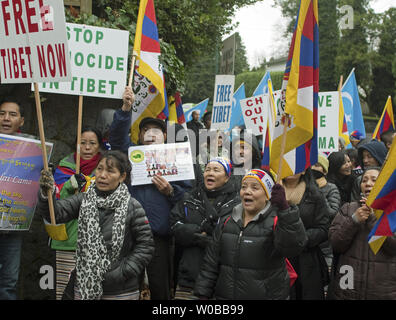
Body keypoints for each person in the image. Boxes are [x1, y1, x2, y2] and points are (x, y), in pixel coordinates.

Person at [109, 86, 191, 300]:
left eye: (156, 131)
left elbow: (188, 199)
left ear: (164, 136)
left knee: (159, 288)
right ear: (140, 136)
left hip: (160, 235)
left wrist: (170, 190)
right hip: (129, 233)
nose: (151, 135)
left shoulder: (177, 159)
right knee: (127, 287)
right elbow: (116, 140)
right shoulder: (130, 155)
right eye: (146, 131)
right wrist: (126, 109)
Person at [37, 150, 154, 300]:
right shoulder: (84, 199)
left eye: (110, 171)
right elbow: (54, 214)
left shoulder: (133, 207)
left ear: (122, 176)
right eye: (99, 169)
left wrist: (121, 272)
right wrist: (47, 193)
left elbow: (146, 246)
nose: (102, 175)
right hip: (84, 286)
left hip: (120, 290)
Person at [193, 169, 307, 300]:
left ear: (267, 194)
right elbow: (211, 263)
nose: (247, 191)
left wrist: (285, 210)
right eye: (244, 187)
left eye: (255, 187)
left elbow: (294, 246)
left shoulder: (277, 221)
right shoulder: (227, 221)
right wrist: (203, 294)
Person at [170, 157, 240, 300]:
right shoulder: (189, 197)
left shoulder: (237, 202)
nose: (210, 173)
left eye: (216, 170)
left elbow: (235, 234)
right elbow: (174, 226)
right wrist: (198, 231)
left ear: (227, 177)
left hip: (221, 278)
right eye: (207, 169)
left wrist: (209, 239)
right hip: (189, 274)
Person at [50, 127, 103, 300]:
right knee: (65, 292)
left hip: (98, 243)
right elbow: (55, 205)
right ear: (76, 145)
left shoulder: (107, 169)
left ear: (99, 147)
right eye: (82, 143)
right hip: (68, 242)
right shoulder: (64, 168)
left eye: (92, 143)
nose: (87, 147)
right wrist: (68, 186)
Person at [329, 167, 396, 299]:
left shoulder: (392, 212)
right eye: (364, 180)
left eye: (374, 180)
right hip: (348, 284)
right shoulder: (348, 209)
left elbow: (393, 247)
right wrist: (354, 221)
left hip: (382, 289)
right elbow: (336, 244)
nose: (368, 183)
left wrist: (373, 220)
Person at [281, 169, 330, 300]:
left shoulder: (314, 195)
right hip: (278, 257)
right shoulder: (271, 192)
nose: (290, 169)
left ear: (303, 171)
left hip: (306, 259)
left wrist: (301, 239)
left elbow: (323, 228)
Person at [0, 97, 28, 299]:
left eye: (12, 114)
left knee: (9, 283)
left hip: (13, 226)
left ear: (22, 120)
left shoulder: (32, 150)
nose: (6, 118)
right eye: (2, 114)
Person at [311, 154, 341, 296]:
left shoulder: (331, 188)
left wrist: (318, 192)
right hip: (309, 244)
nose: (313, 168)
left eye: (317, 165)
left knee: (324, 284)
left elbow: (332, 213)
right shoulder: (304, 187)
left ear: (324, 170)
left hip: (326, 247)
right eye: (311, 165)